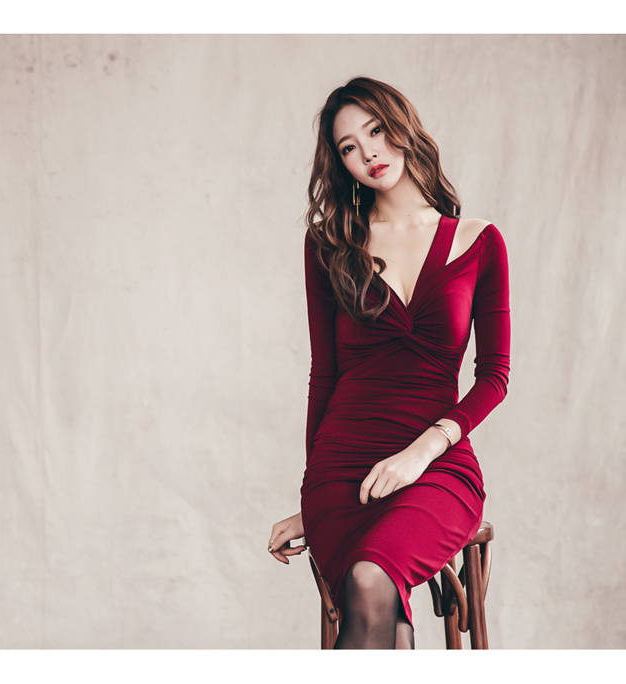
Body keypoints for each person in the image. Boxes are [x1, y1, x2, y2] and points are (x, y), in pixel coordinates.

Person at [267, 77, 511, 649]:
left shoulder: (479, 242)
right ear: (341, 164)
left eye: (375, 131)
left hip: (437, 464)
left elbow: (495, 375)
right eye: (349, 147)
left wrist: (422, 451)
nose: (369, 152)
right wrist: (310, 501)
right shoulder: (329, 245)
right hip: (341, 467)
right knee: (372, 593)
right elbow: (324, 376)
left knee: (372, 577)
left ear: (402, 126)